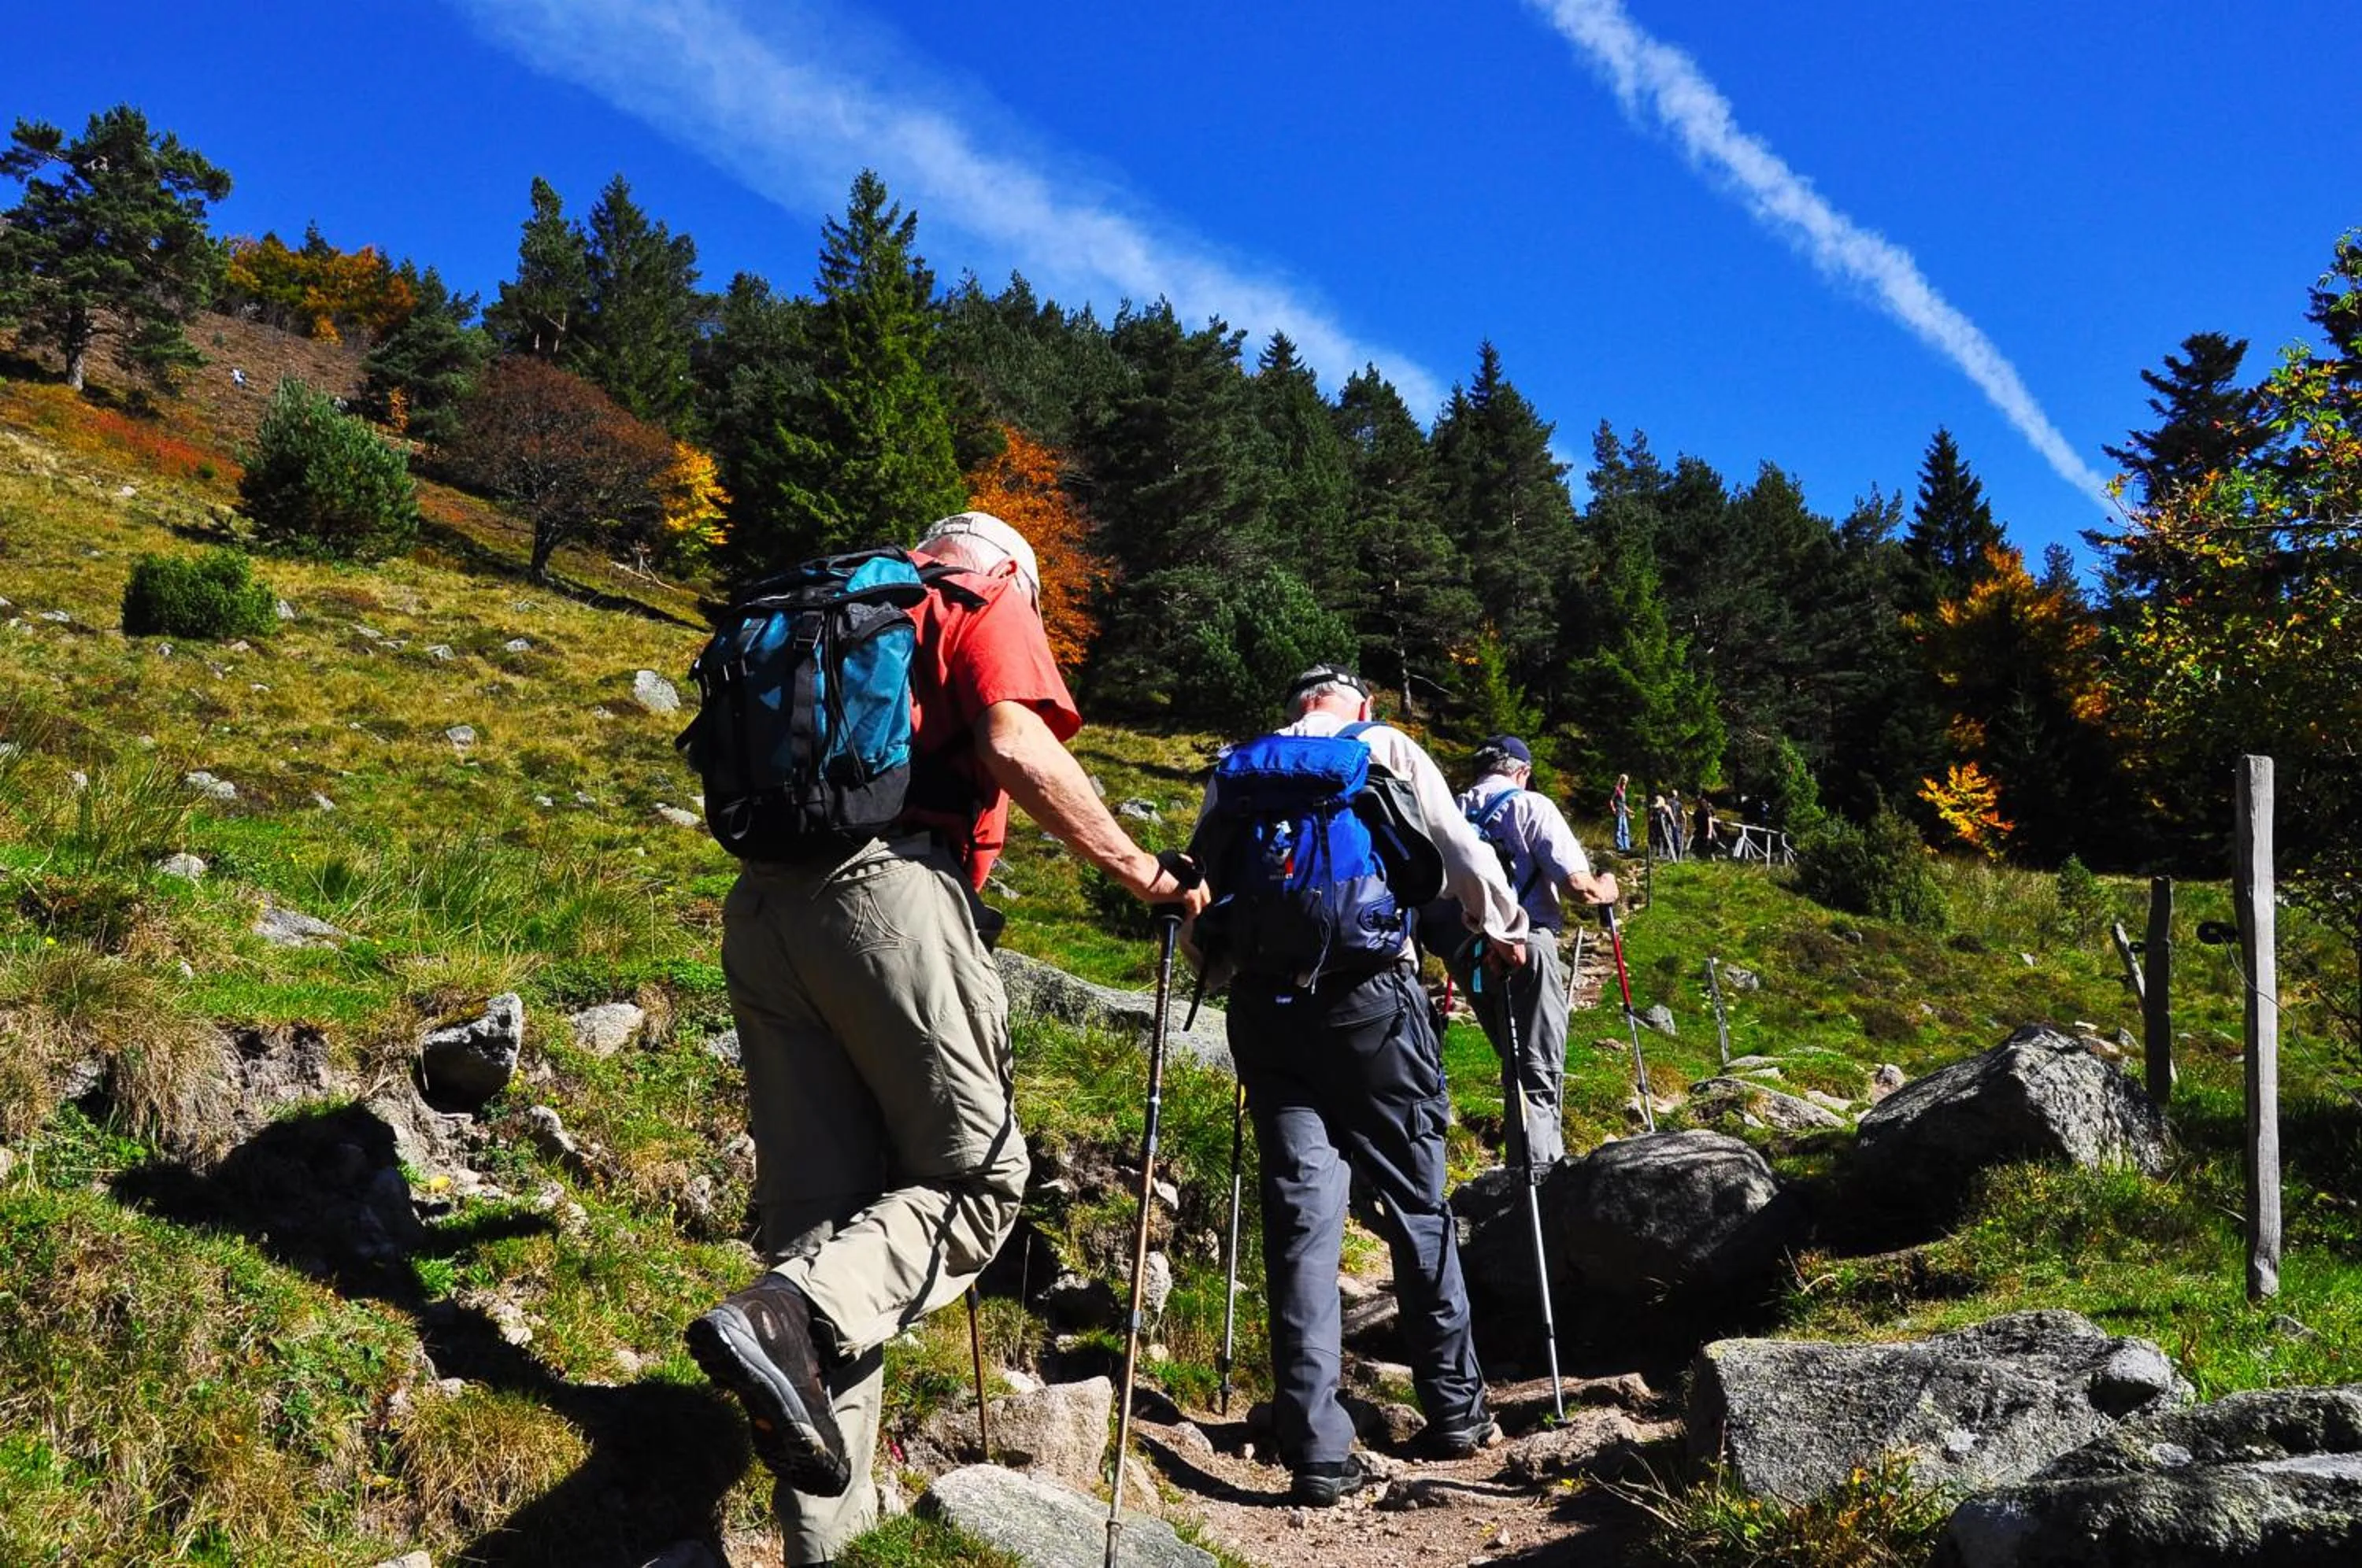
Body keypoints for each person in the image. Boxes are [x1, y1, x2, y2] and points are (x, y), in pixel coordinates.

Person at [687, 510, 1208, 1566]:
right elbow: (1015, 742)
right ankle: (784, 1318)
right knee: (973, 1180)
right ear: (1008, 567)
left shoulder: (825, 611)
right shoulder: (979, 598)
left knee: (825, 1228)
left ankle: (823, 1543)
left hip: (761, 913)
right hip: (888, 895)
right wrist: (1148, 873)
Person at [1190, 664, 1528, 1507]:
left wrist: (1219, 966)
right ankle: (1454, 1412)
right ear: (1360, 704)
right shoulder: (1383, 746)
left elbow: (1201, 891)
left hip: (1266, 1014)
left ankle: (1315, 1449)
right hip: (1373, 1003)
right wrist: (1505, 930)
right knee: (1417, 1201)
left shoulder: (1243, 766)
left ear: (1294, 702)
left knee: (1302, 1220)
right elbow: (1460, 851)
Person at [1455, 737, 1621, 1167]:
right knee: (1538, 1067)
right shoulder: (1531, 806)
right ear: (1522, 771)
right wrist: (1607, 887)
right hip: (1527, 944)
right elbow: (1577, 886)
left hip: (1472, 949)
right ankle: (1540, 1182)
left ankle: (1521, 1171)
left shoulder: (1453, 809)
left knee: (1514, 1062)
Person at [1610, 772, 1632, 854]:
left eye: (1626, 781)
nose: (1626, 782)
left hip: (1623, 813)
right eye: (1625, 780)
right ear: (1622, 780)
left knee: (1625, 830)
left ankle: (1627, 847)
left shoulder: (1623, 791)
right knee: (1618, 829)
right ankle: (1620, 847)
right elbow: (1611, 800)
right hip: (1619, 812)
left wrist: (1629, 811)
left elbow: (1623, 804)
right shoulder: (1617, 789)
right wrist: (1613, 808)